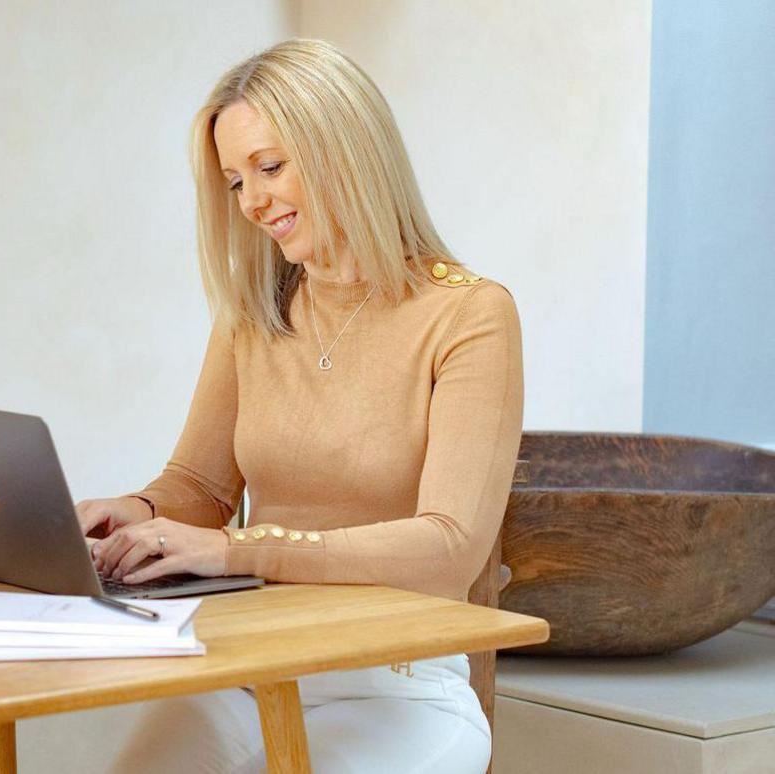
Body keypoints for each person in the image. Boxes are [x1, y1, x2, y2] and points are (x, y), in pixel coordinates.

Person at [75, 38, 523, 773]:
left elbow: (451, 547)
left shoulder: (469, 316)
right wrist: (144, 512)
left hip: (399, 690)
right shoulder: (254, 312)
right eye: (233, 182)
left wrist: (238, 550)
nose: (252, 203)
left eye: (270, 168)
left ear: (346, 149)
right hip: (247, 671)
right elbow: (203, 487)